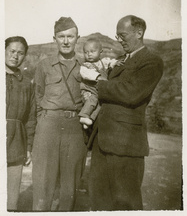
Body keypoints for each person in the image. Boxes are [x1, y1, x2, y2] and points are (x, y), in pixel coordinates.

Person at [88, 15, 164, 211]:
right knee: (99, 201)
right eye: (117, 35)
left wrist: (100, 82)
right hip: (102, 142)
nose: (118, 40)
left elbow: (130, 93)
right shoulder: (120, 61)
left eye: (122, 35)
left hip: (126, 145)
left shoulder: (152, 61)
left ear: (139, 33)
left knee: (125, 203)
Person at [32, 17, 87, 211]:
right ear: (54, 38)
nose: (65, 41)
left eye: (70, 36)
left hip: (74, 129)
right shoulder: (44, 66)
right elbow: (37, 97)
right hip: (48, 126)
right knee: (43, 182)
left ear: (77, 38)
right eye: (61, 36)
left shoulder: (85, 67)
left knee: (69, 185)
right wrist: (44, 123)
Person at [5, 36, 36, 211]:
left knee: (11, 199)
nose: (15, 56)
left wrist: (28, 147)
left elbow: (30, 118)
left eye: (20, 53)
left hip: (17, 141)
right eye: (12, 51)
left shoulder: (26, 83)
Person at [78, 38, 118, 129]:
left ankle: (90, 119)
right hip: (89, 89)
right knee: (92, 99)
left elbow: (111, 62)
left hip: (98, 90)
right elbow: (85, 74)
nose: (89, 54)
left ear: (100, 51)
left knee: (100, 103)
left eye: (92, 51)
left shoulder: (103, 62)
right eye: (86, 52)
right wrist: (97, 76)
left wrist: (115, 63)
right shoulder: (85, 65)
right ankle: (84, 115)